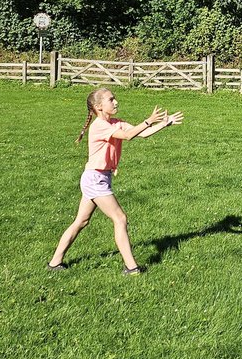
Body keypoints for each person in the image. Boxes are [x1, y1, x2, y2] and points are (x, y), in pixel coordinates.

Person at [48, 88, 183, 275]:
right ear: (99, 107)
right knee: (120, 218)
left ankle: (55, 262)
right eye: (111, 99)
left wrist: (164, 124)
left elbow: (140, 133)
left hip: (98, 177)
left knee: (81, 221)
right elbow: (128, 136)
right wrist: (148, 120)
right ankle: (132, 267)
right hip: (95, 179)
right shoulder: (99, 126)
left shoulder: (115, 123)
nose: (116, 102)